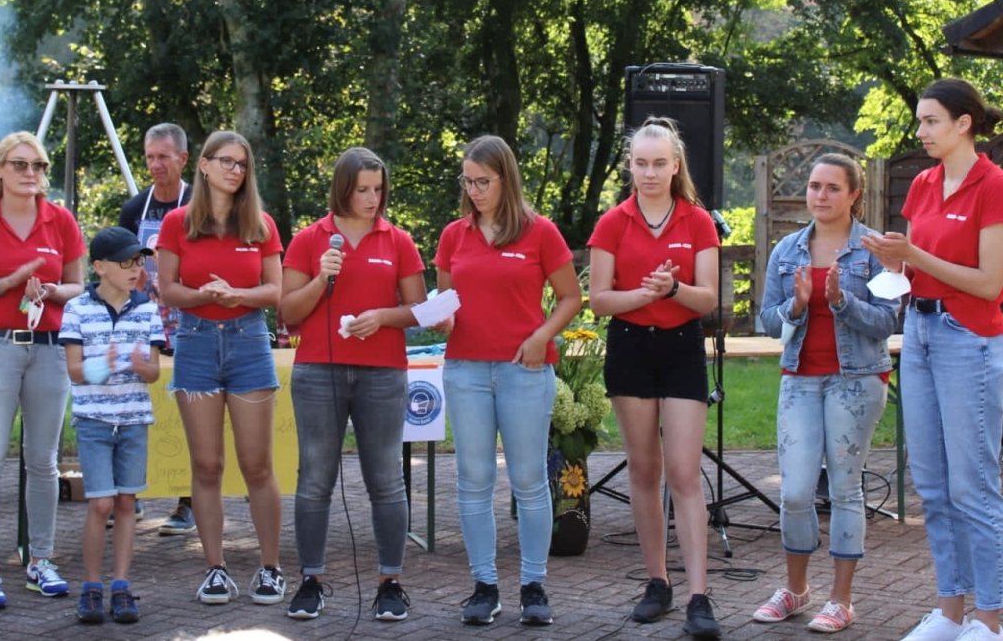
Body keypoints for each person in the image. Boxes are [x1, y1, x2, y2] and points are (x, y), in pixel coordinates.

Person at [862, 78, 1003, 641]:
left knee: (974, 485)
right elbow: (916, 270)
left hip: (968, 338)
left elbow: (990, 283)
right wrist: (893, 269)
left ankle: (989, 619)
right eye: (920, 122)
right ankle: (950, 612)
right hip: (918, 330)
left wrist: (913, 253)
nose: (920, 132)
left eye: (930, 122)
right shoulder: (922, 184)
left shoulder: (993, 185)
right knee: (933, 484)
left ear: (964, 123)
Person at [434, 135, 581, 627]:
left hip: (525, 370)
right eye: (468, 181)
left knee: (529, 480)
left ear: (506, 180)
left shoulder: (540, 233)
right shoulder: (454, 235)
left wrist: (542, 337)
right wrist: (442, 320)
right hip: (466, 371)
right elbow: (446, 303)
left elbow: (570, 299)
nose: (474, 190)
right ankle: (484, 586)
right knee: (473, 480)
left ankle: (533, 585)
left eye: (483, 182)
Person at [587, 116, 722, 639]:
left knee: (685, 474)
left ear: (675, 165)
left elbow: (707, 299)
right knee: (645, 470)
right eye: (641, 163)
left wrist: (673, 290)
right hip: (631, 348)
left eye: (659, 163)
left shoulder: (698, 221)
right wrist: (645, 296)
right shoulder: (612, 222)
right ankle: (657, 582)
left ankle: (698, 594)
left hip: (683, 347)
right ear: (631, 165)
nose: (649, 172)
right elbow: (600, 300)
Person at [279, 147, 427, 621]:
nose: (372, 198)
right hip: (318, 370)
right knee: (315, 478)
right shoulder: (309, 240)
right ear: (343, 188)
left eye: (378, 189)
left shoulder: (398, 240)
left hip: (383, 372)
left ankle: (390, 582)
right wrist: (321, 278)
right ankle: (311, 580)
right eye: (362, 189)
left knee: (385, 479)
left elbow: (419, 310)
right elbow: (288, 313)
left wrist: (382, 317)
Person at [753, 154, 899, 633]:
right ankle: (795, 590)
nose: (821, 195)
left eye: (833, 188)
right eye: (815, 186)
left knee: (843, 488)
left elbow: (886, 321)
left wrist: (841, 301)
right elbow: (767, 320)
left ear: (854, 194)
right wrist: (796, 306)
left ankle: (841, 600)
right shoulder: (787, 250)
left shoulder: (876, 250)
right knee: (794, 491)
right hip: (799, 378)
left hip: (855, 380)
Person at [0, 131, 86, 609]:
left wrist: (49, 290)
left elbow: (78, 287)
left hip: (48, 347)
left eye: (39, 166)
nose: (32, 174)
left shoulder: (60, 220)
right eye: (21, 165)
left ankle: (40, 560)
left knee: (44, 462)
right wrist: (7, 283)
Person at [158, 130, 286, 606]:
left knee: (257, 464)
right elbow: (168, 290)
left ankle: (270, 568)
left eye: (242, 164)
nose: (235, 170)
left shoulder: (261, 225)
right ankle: (215, 569)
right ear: (205, 166)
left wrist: (236, 297)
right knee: (207, 465)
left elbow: (275, 292)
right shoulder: (176, 223)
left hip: (249, 341)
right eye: (227, 162)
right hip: (194, 341)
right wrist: (205, 297)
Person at [60, 227, 164, 625]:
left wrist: (143, 367)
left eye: (139, 261)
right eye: (127, 263)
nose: (136, 269)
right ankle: (91, 587)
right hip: (94, 421)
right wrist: (104, 364)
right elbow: (73, 370)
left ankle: (120, 586)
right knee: (100, 502)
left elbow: (153, 372)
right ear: (100, 267)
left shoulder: (148, 309)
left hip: (135, 419)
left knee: (125, 503)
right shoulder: (77, 309)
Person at [119, 123, 194, 535]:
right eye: (149, 157)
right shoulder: (135, 209)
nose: (155, 165)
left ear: (183, 159)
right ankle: (131, 495)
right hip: (143, 321)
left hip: (190, 321)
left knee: (187, 410)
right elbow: (120, 262)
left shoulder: (199, 205)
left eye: (163, 156)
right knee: (135, 409)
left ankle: (188, 502)